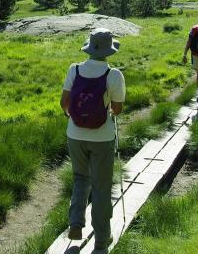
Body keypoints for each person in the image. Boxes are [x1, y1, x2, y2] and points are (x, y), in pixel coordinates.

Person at [61, 28, 126, 253]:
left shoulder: (75, 69)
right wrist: (108, 114)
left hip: (75, 134)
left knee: (80, 178)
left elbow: (64, 103)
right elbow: (117, 108)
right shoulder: (114, 75)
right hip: (102, 137)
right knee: (101, 187)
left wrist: (75, 117)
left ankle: (76, 224)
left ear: (89, 48)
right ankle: (100, 240)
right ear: (109, 51)